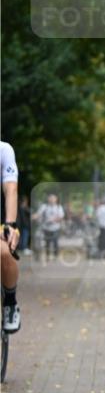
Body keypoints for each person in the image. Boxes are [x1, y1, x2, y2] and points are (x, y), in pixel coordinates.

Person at [1, 141, 21, 333]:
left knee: (5, 252)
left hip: (2, 218)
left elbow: (11, 189)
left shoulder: (3, 150)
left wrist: (10, 224)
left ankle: (10, 302)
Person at [36, 194, 65, 262]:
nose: (52, 200)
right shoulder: (44, 206)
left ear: (56, 199)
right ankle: (48, 255)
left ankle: (55, 255)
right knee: (47, 242)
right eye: (50, 198)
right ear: (48, 199)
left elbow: (61, 216)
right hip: (46, 228)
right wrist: (34, 216)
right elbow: (38, 214)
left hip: (56, 228)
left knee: (55, 242)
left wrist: (54, 220)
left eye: (53, 198)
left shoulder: (58, 207)